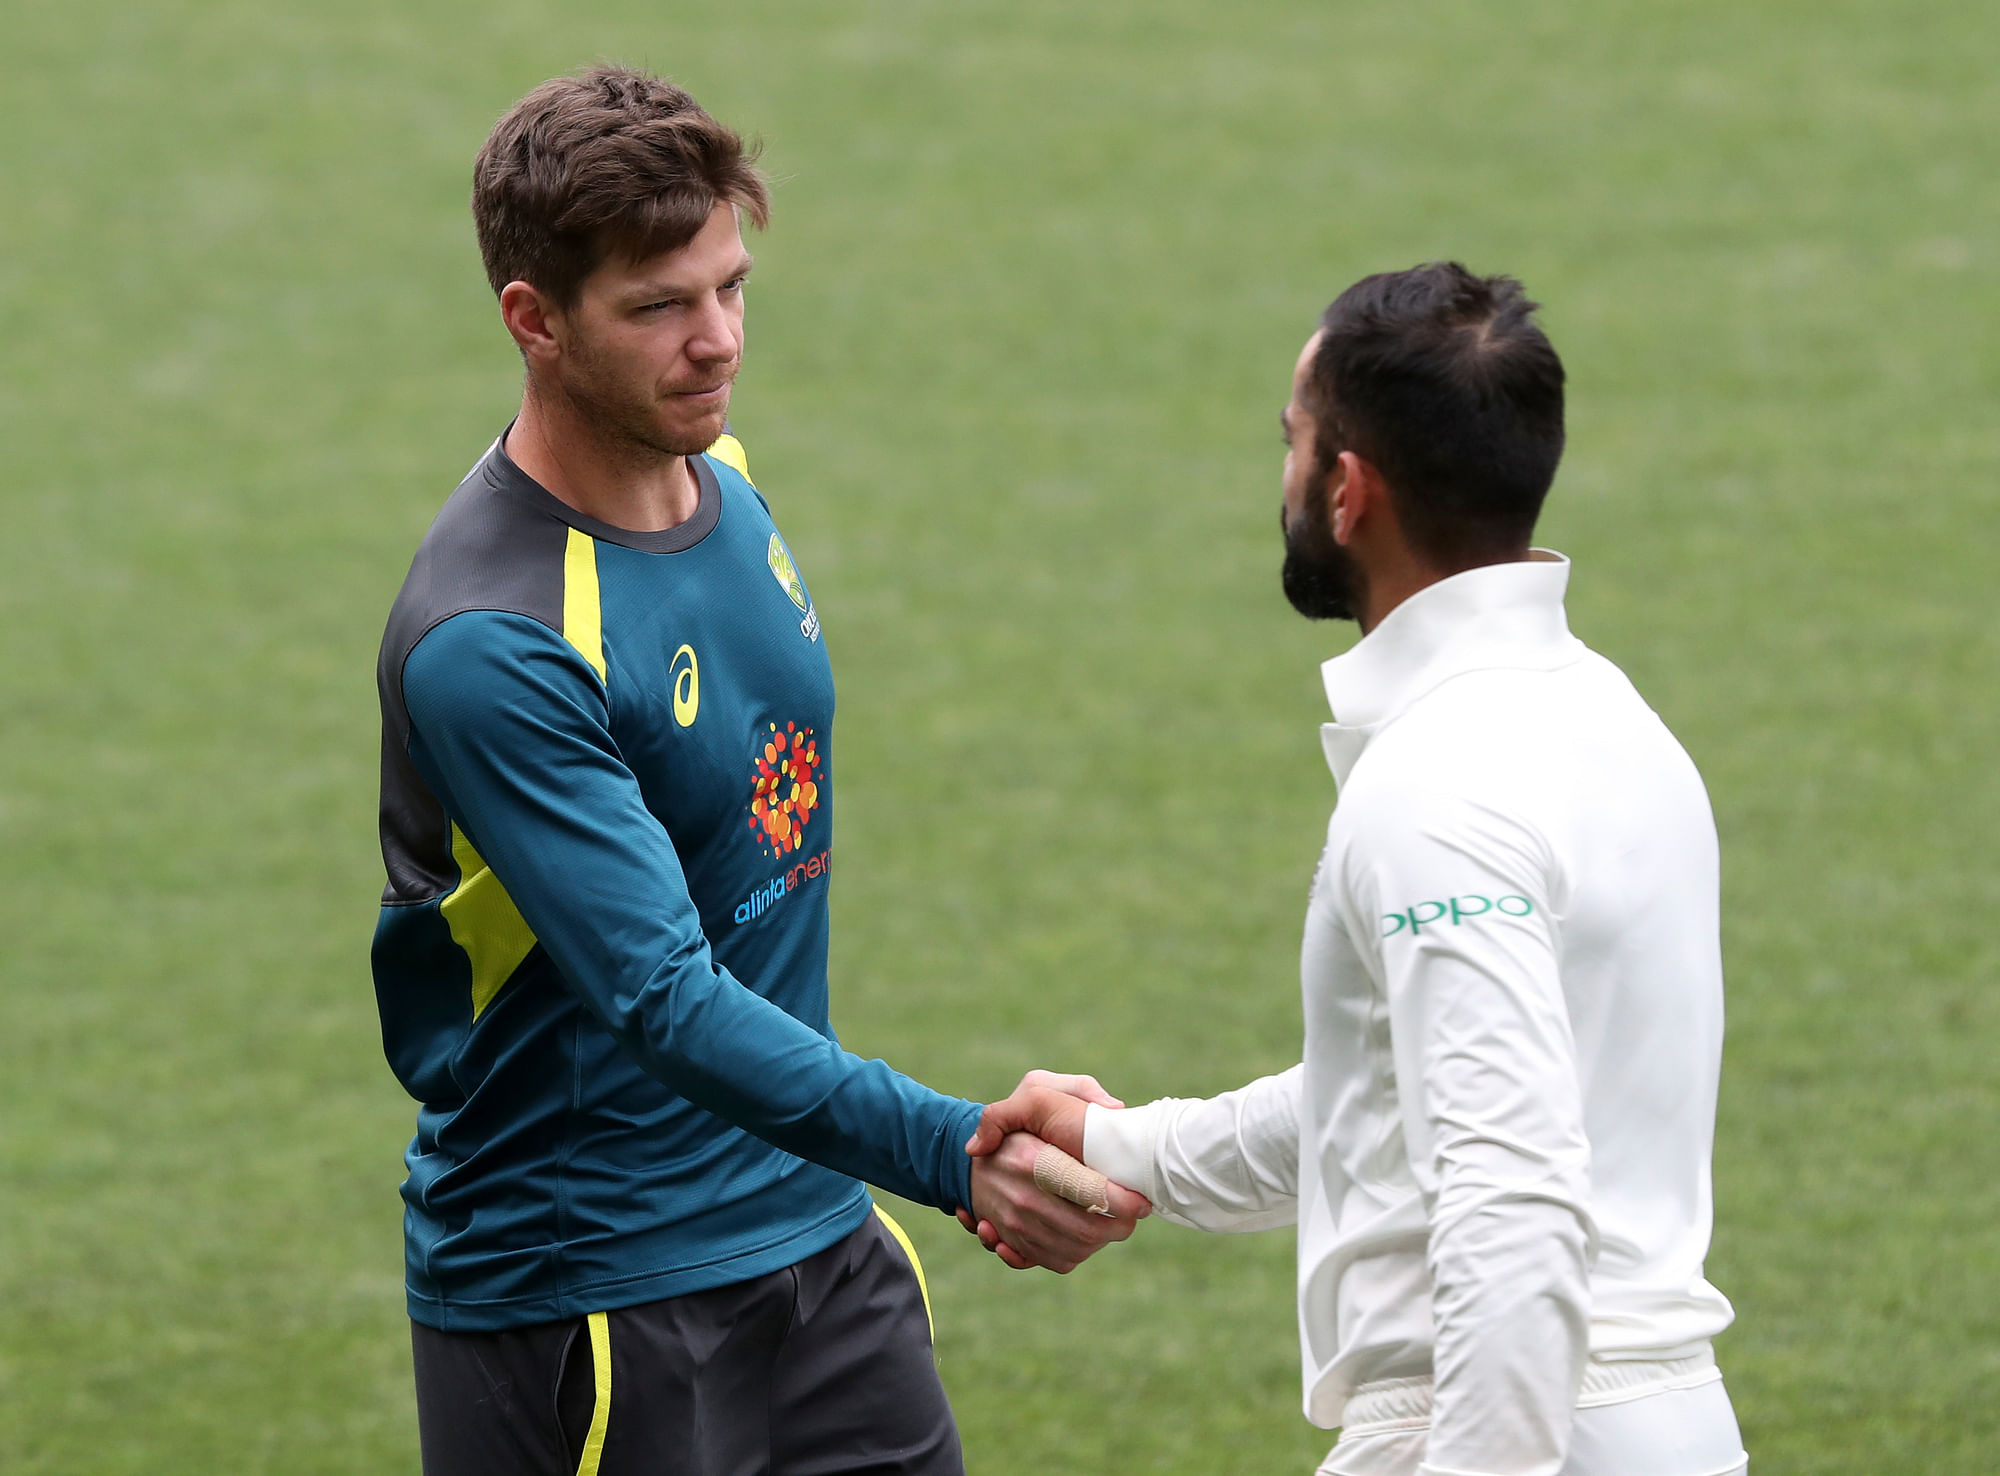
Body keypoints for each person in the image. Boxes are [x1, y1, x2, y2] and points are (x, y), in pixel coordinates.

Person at [370, 66, 1144, 1476]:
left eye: (730, 287)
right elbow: (663, 996)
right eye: (658, 308)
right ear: (532, 323)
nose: (715, 340)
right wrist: (956, 1144)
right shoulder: (494, 641)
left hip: (819, 1253)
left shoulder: (726, 482)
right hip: (594, 1298)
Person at [969, 264, 1748, 1475]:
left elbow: (1509, 1194)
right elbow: (1398, 1090)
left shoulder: (1434, 790)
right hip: (1649, 1423)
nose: (1280, 472)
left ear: (1346, 491)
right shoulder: (1617, 725)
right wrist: (1122, 1151)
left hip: (1501, 1427)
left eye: (1292, 442)